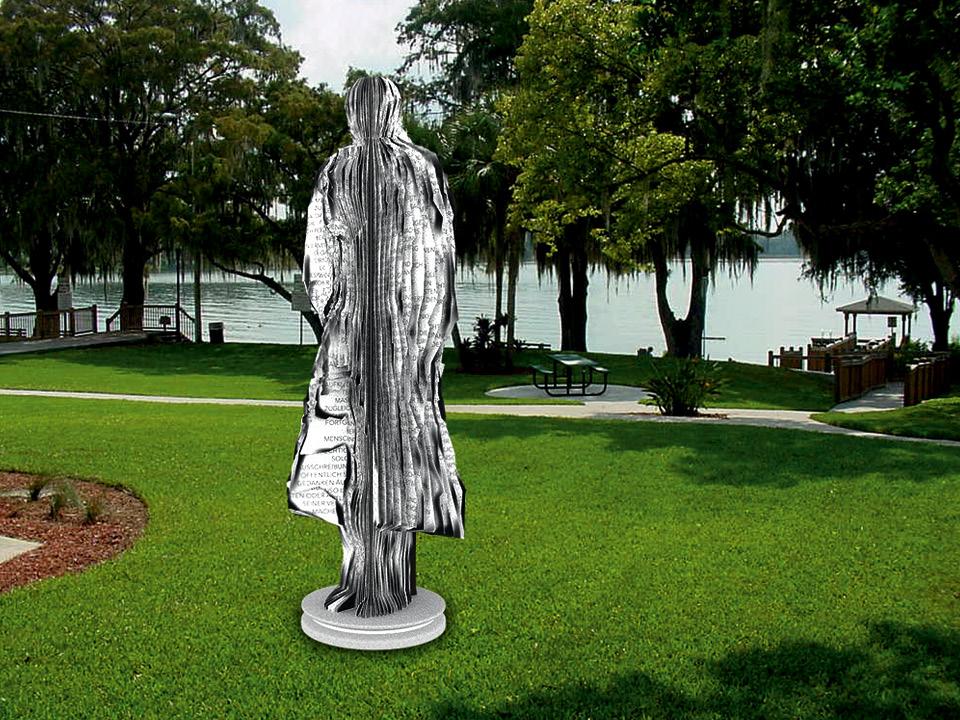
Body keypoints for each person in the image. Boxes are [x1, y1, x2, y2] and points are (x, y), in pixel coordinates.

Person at [287, 77, 465, 618]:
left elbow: (318, 264)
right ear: (394, 108)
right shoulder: (421, 168)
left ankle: (371, 580)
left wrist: (338, 311)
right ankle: (385, 581)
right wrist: (426, 333)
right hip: (402, 336)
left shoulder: (340, 170)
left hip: (361, 334)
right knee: (395, 454)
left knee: (361, 453)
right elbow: (440, 260)